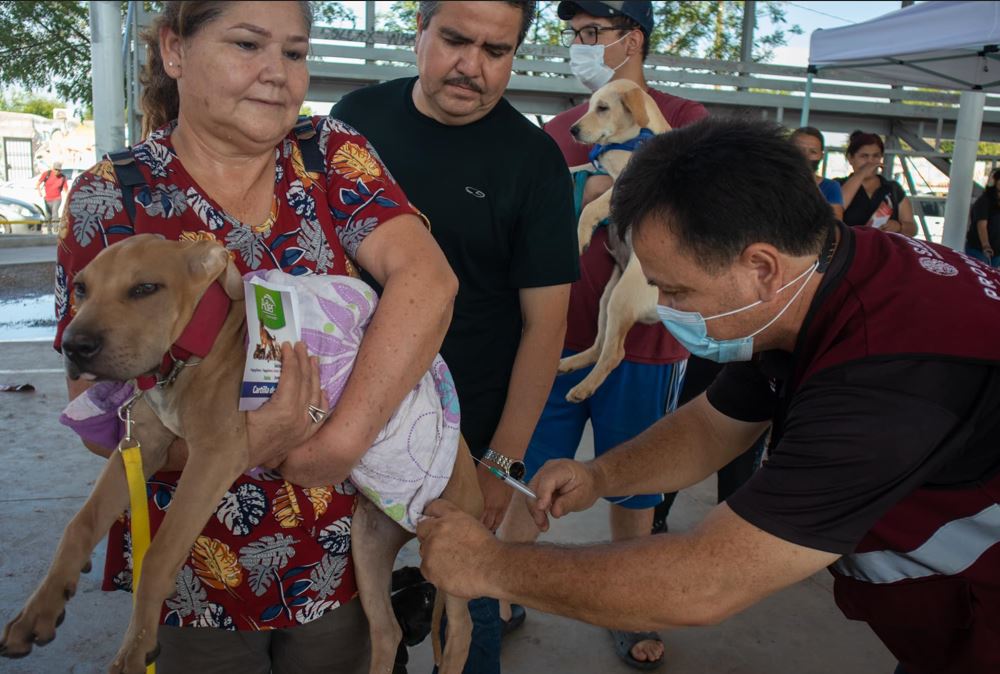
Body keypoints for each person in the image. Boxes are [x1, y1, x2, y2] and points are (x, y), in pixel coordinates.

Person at [416, 117, 1000, 674]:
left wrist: (492, 565)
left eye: (676, 289)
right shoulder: (823, 278)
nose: (664, 309)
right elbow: (714, 425)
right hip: (945, 621)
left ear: (761, 267)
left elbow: (707, 580)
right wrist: (600, 476)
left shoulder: (886, 378)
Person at [53, 2, 458, 672]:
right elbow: (97, 409)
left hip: (334, 556)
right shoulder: (113, 195)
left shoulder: (327, 154)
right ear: (175, 53)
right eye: (248, 44)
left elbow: (427, 283)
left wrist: (341, 442)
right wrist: (247, 443)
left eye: (294, 53)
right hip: (193, 577)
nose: (277, 73)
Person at [331, 2, 579, 672]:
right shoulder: (356, 120)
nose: (472, 66)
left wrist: (502, 461)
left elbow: (545, 325)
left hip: (465, 437)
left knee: (464, 611)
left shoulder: (534, 162)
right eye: (455, 40)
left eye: (496, 51)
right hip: (344, 417)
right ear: (420, 30)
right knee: (351, 618)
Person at [497, 3, 705, 668]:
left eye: (593, 34)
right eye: (574, 35)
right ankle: (497, 588)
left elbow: (699, 214)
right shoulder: (560, 129)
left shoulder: (685, 122)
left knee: (634, 485)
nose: (580, 46)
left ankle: (629, 606)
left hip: (644, 345)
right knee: (524, 478)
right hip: (552, 338)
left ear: (631, 40)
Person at [836, 130, 916, 235]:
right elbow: (836, 208)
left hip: (883, 249)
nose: (870, 161)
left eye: (876, 156)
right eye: (864, 156)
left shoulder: (892, 188)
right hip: (850, 248)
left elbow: (912, 228)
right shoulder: (837, 185)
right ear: (850, 158)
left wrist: (899, 226)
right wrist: (861, 174)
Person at [790, 126, 844, 220]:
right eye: (800, 150)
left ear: (821, 156)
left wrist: (810, 181)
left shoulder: (831, 187)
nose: (805, 156)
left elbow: (835, 223)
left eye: (813, 152)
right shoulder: (775, 181)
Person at [966, 167, 1000, 267]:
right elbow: (981, 225)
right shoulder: (984, 201)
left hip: (996, 251)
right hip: (979, 250)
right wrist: (986, 246)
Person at [36, 161, 68, 229]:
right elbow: (38, 183)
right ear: (53, 169)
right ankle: (49, 228)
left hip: (57, 198)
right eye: (56, 169)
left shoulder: (62, 177)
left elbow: (66, 188)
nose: (57, 171)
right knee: (48, 215)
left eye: (59, 170)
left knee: (55, 212)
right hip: (47, 199)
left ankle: (55, 228)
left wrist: (68, 196)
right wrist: (39, 192)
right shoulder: (47, 174)